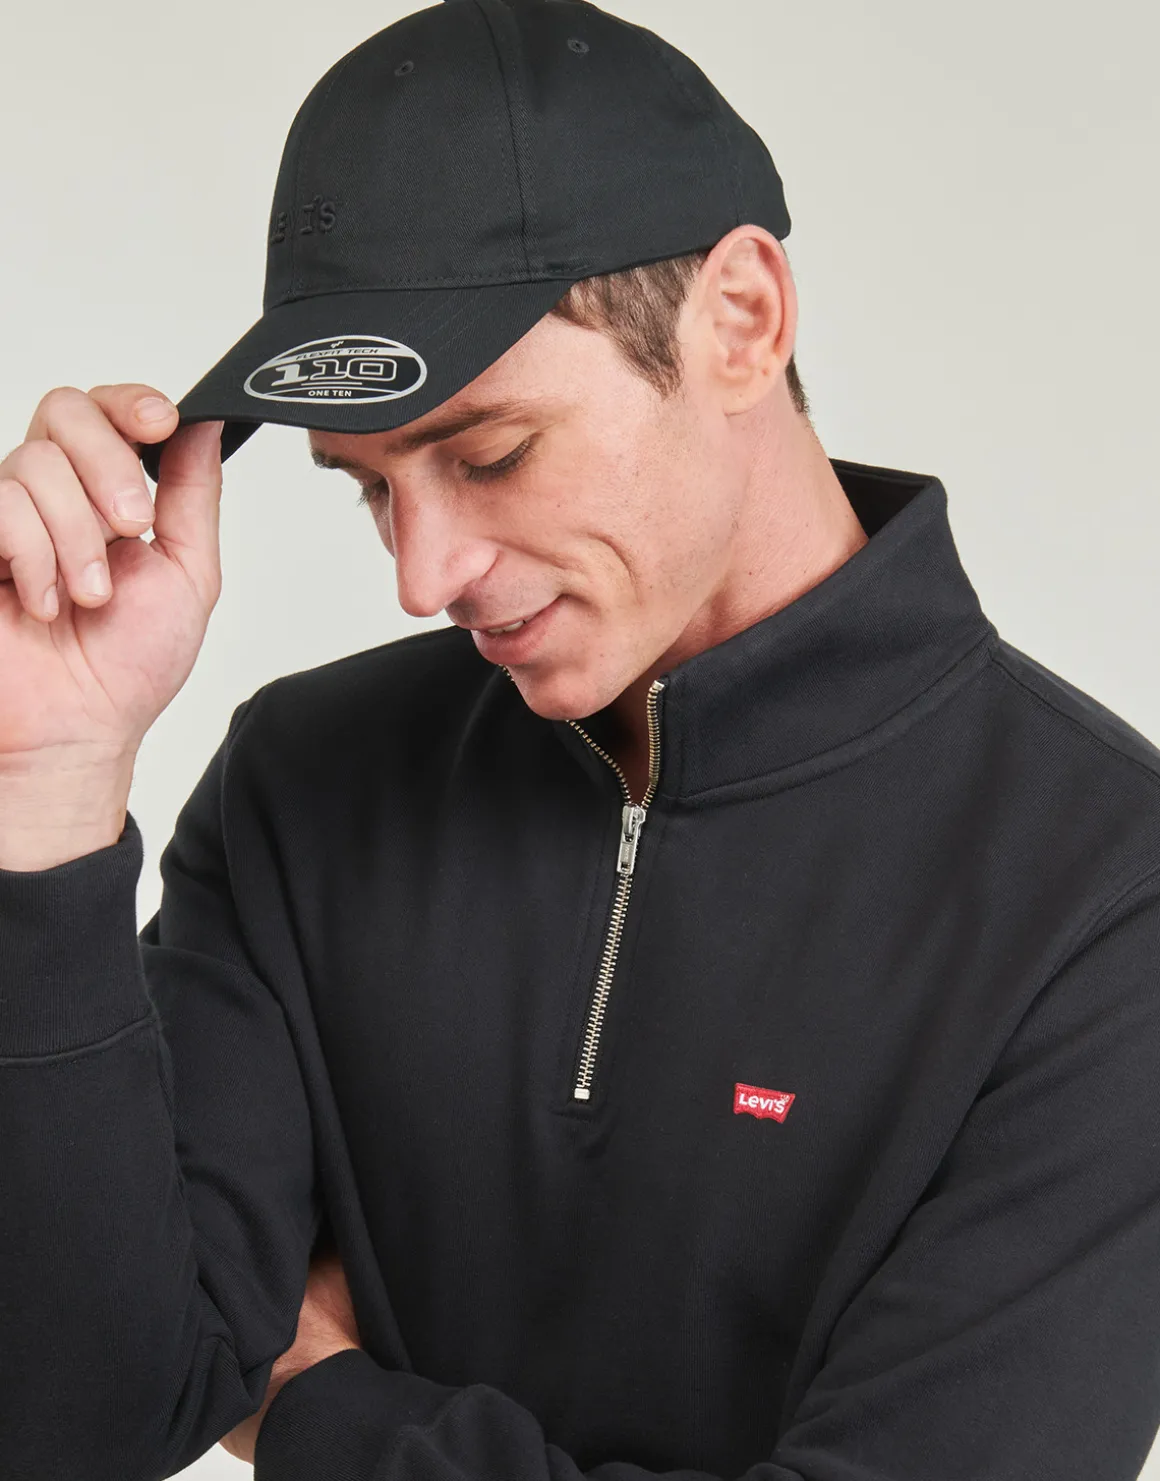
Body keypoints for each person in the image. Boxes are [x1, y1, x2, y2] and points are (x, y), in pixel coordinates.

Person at [1, 2, 1159, 1479]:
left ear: (740, 321)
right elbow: (78, 1423)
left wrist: (315, 1406)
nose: (423, 574)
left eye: (490, 455)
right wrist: (45, 797)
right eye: (369, 487)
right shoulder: (307, 783)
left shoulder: (1105, 898)